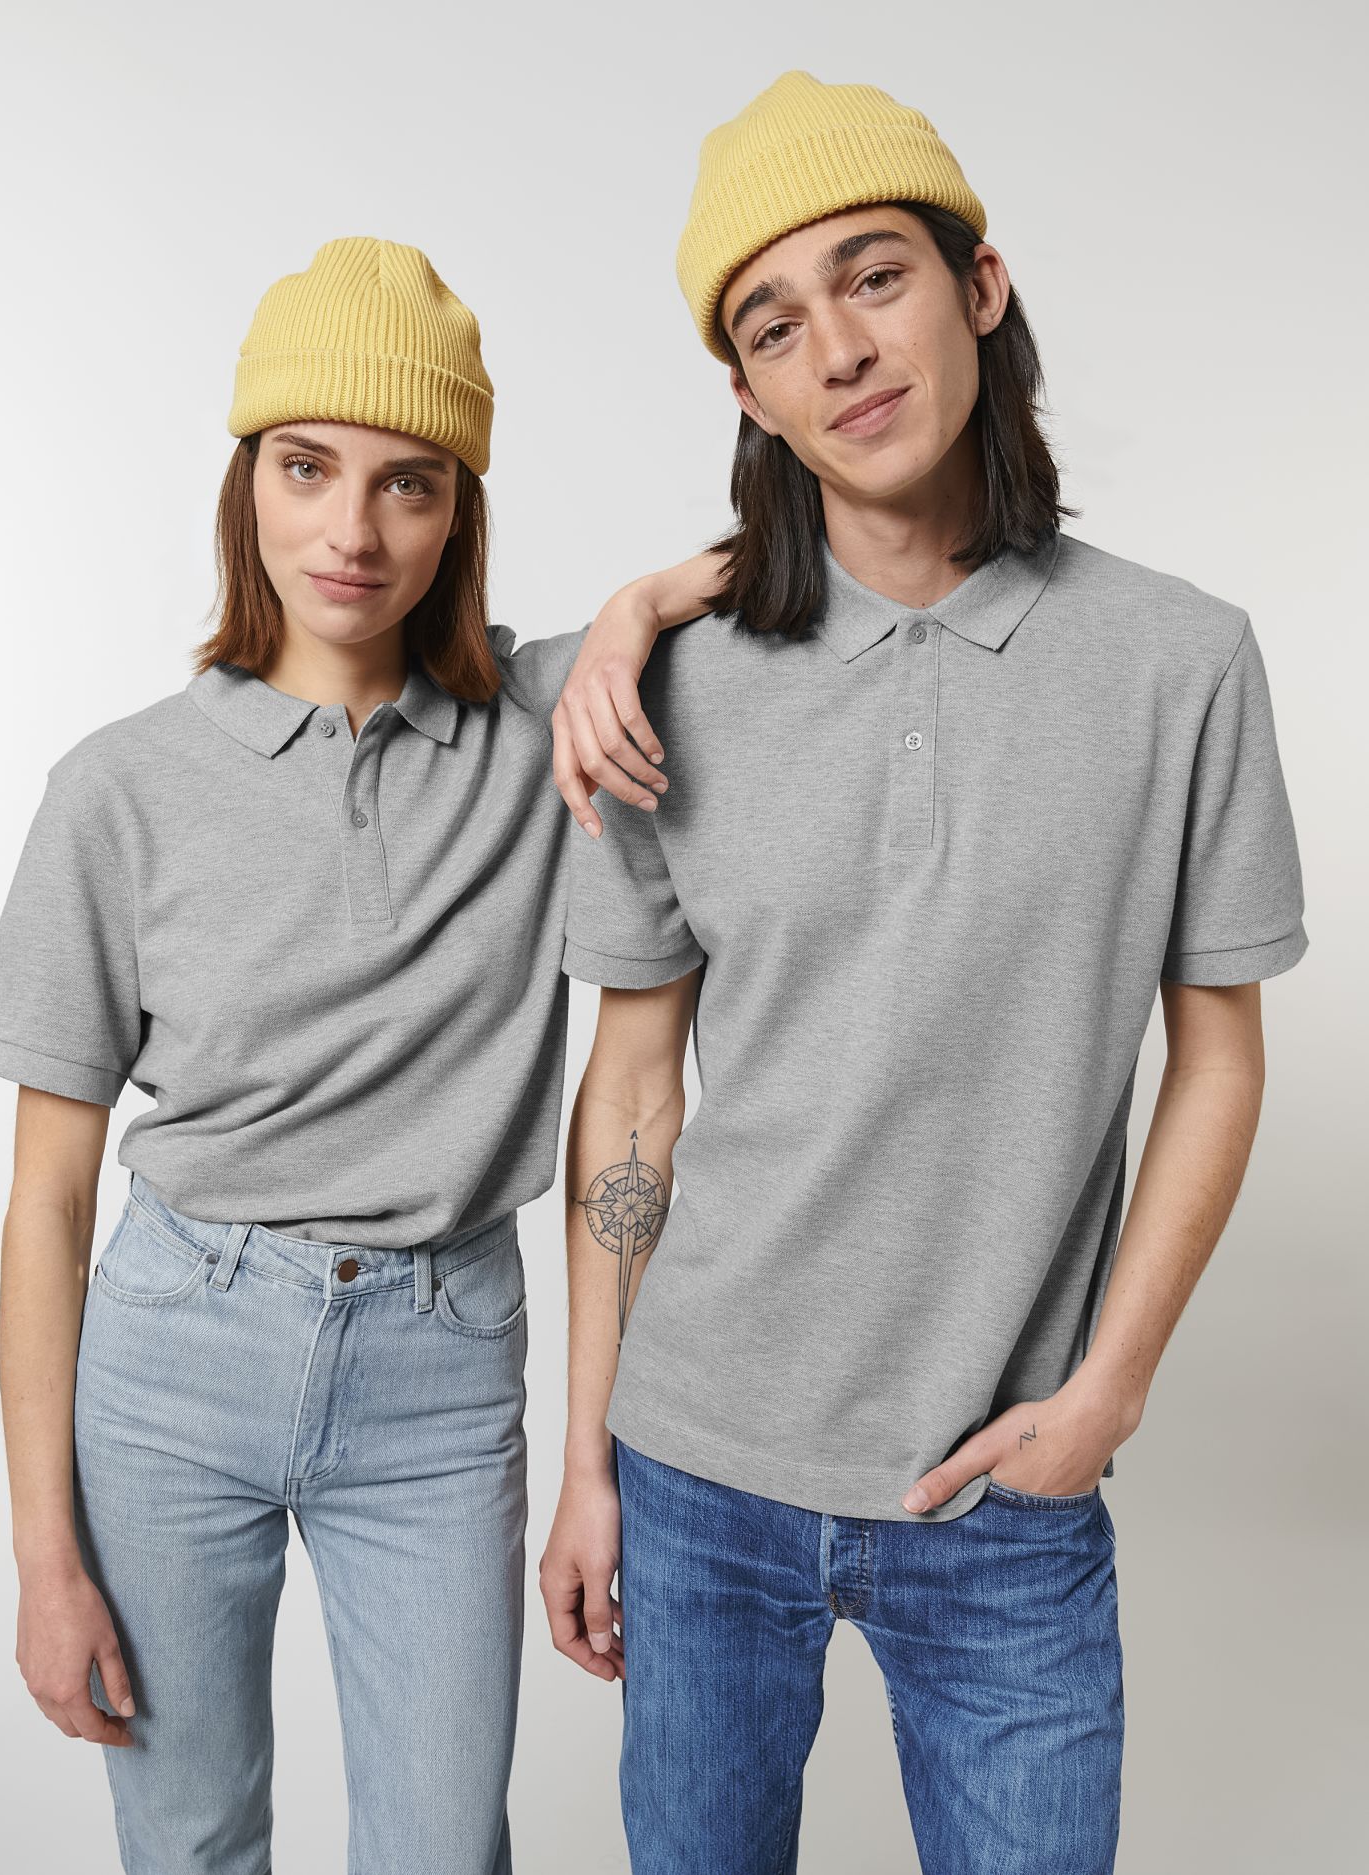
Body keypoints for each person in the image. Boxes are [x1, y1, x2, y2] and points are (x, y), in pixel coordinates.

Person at [540, 72, 1309, 1875]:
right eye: (773, 326)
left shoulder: (1182, 663)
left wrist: (1108, 1392)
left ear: (980, 287)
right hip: (697, 1471)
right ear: (749, 396)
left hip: (1002, 1491)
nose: (839, 350)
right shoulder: (658, 686)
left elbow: (1219, 1056)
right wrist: (586, 1459)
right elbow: (631, 1086)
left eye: (874, 276)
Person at [0, 235, 719, 1875]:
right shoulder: (118, 790)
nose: (353, 533)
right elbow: (46, 1203)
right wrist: (41, 1554)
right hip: (173, 1352)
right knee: (188, 1842)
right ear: (247, 483)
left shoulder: (545, 734)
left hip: (442, 1368)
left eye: (409, 483)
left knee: (443, 1850)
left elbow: (763, 569)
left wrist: (633, 610)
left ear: (459, 515)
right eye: (307, 468)